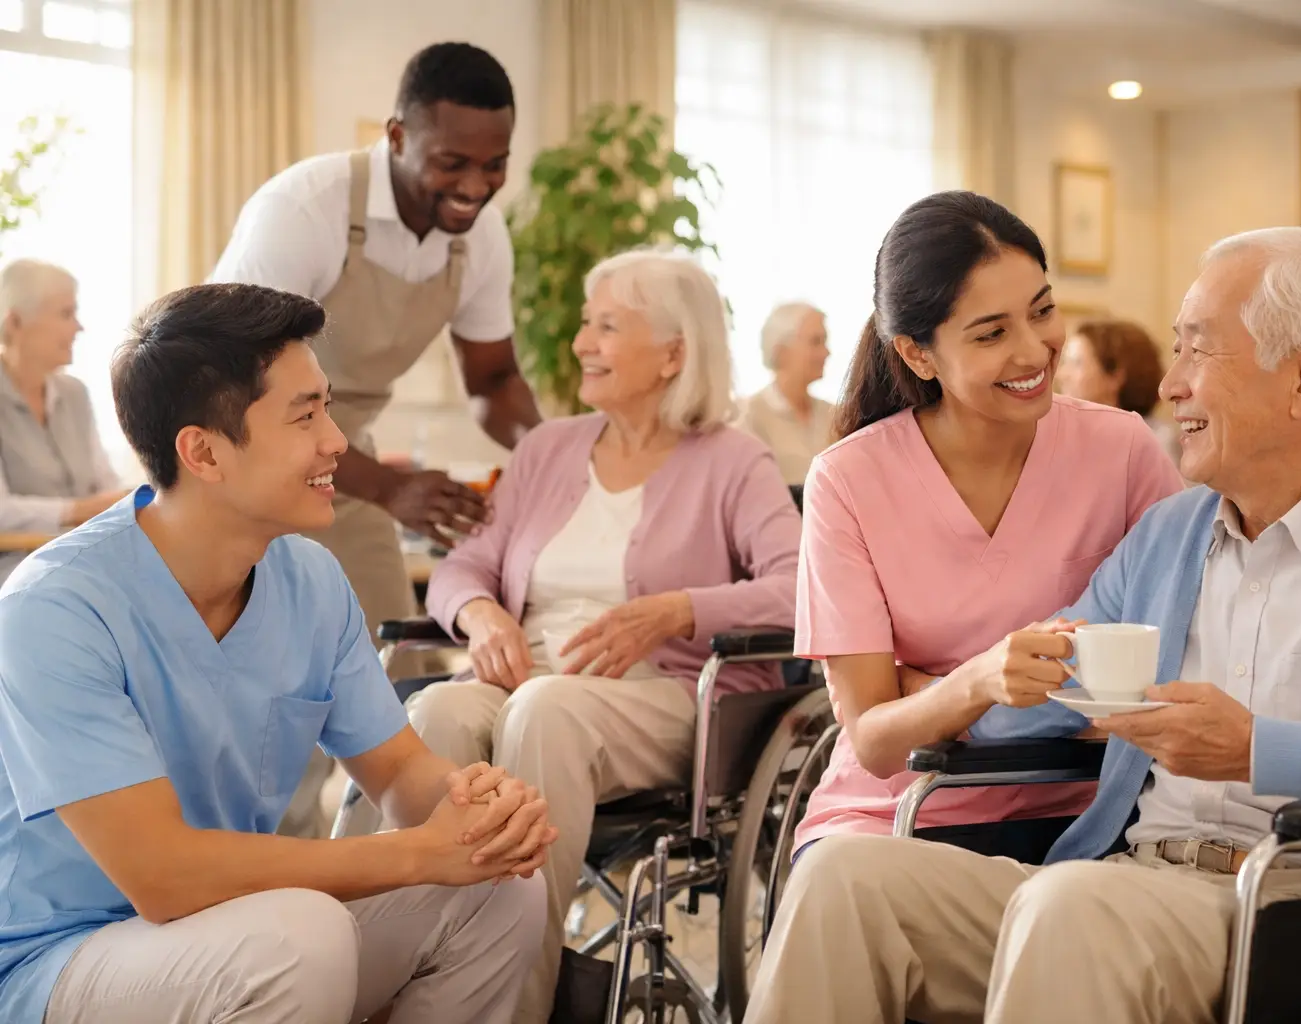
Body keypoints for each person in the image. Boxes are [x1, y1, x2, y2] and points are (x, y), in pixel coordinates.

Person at [747, 226, 1301, 1024]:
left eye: (1198, 352)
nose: (1170, 386)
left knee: (1072, 908)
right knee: (844, 881)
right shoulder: (1170, 537)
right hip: (1125, 877)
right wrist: (971, 686)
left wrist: (1261, 748)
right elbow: (1058, 689)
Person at [0, 283, 555, 1024]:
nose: (337, 441)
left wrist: (478, 813)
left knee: (501, 885)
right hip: (61, 964)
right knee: (302, 933)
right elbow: (161, 877)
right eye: (306, 416)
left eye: (327, 406)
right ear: (202, 452)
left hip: (239, 938)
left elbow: (399, 771)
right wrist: (420, 854)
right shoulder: (55, 607)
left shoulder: (311, 580)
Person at [405, 248, 800, 1024]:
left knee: (545, 710)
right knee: (437, 717)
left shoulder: (733, 460)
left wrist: (679, 610)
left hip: (666, 697)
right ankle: (404, 980)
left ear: (673, 354)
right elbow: (464, 566)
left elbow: (800, 588)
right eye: (586, 323)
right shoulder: (548, 450)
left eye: (607, 326)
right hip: (527, 684)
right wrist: (481, 615)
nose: (582, 341)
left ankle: (513, 1004)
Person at [209, 41, 542, 836]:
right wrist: (391, 488)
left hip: (338, 458)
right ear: (396, 136)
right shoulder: (306, 208)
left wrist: (553, 458)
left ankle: (386, 872)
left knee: (400, 675)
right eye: (452, 162)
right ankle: (262, 869)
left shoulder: (481, 239)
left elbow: (494, 384)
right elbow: (239, 385)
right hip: (240, 456)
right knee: (273, 684)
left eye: (494, 164)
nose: (475, 186)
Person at [789, 192, 1184, 859]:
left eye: (1043, 312)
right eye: (992, 333)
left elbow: (1182, 660)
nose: (1035, 352)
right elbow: (877, 739)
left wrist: (929, 690)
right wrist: (980, 682)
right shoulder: (848, 481)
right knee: (840, 877)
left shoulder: (1122, 451)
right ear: (918, 354)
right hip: (901, 814)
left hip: (1089, 811)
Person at [0, 259, 129, 581]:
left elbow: (105, 483)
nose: (78, 328)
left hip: (82, 558)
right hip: (19, 570)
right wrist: (78, 511)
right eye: (65, 314)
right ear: (15, 322)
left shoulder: (75, 394)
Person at [1056, 317, 1183, 467]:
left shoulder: (1157, 442)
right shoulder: (1066, 439)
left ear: (1116, 375)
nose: (1062, 375)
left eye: (1076, 363)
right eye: (1065, 362)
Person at [736, 301, 835, 485]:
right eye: (816, 342)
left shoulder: (835, 415)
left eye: (824, 341)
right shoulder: (748, 416)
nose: (826, 352)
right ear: (781, 351)